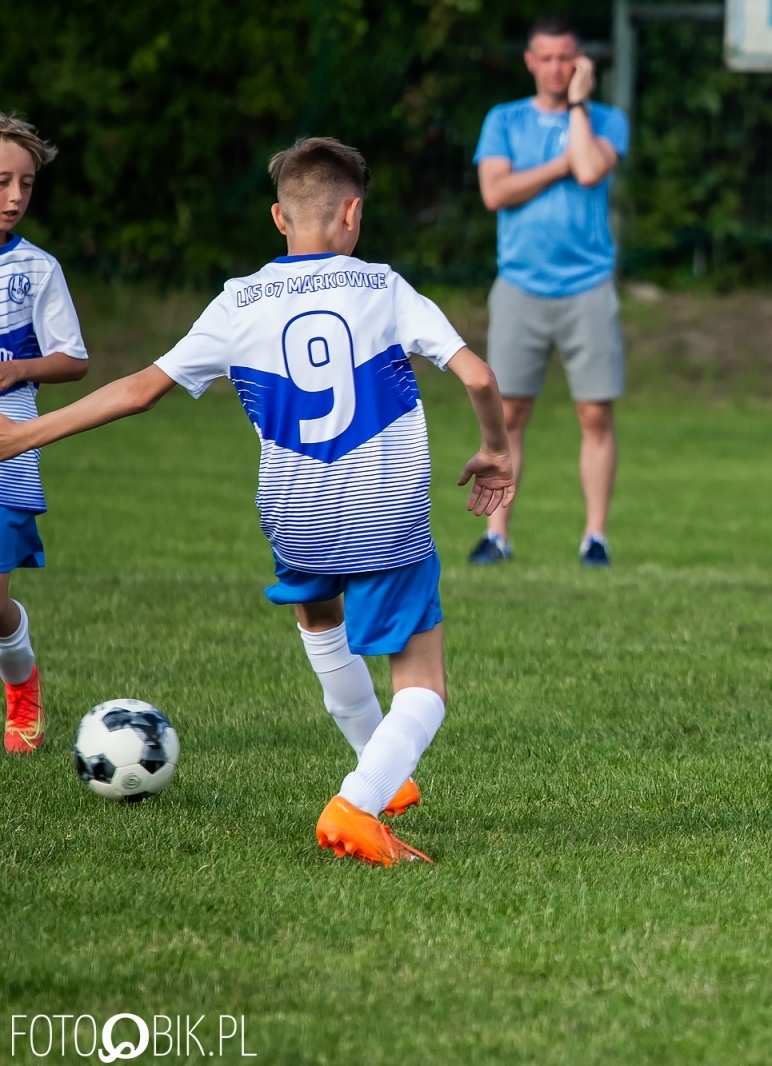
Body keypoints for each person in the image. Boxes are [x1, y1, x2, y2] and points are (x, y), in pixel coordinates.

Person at [0, 138, 514, 866]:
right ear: (353, 214)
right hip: (382, 507)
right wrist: (495, 448)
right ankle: (356, 806)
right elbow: (481, 377)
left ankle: (381, 770)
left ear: (279, 217)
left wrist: (27, 434)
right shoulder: (385, 288)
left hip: (292, 512)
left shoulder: (237, 300)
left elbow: (140, 389)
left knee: (319, 615)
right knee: (424, 687)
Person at [469, 15, 629, 568]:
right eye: (547, 57)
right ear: (530, 61)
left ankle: (595, 538)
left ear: (581, 62)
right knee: (508, 414)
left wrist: (579, 109)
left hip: (588, 286)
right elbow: (496, 192)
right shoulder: (504, 119)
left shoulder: (607, 119)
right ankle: (497, 536)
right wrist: (559, 161)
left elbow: (588, 171)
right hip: (519, 285)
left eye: (567, 58)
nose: (557, 68)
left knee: (594, 415)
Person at [0, 114, 90, 754]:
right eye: (2, 181)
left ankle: (21, 680)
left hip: (8, 452)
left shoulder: (37, 269)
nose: (14, 197)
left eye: (26, 184)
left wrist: (18, 368)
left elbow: (75, 359)